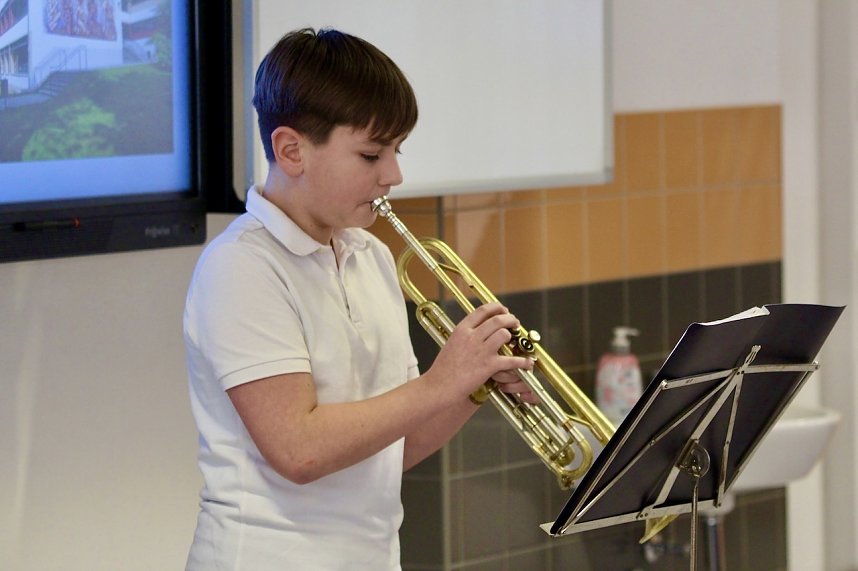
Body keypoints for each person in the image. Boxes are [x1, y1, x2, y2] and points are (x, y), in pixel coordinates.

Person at [183, 27, 535, 570]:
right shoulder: (241, 266)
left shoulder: (370, 256)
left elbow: (400, 446)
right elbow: (299, 451)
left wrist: (473, 384)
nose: (393, 175)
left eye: (396, 151)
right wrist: (442, 380)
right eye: (371, 154)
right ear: (291, 150)